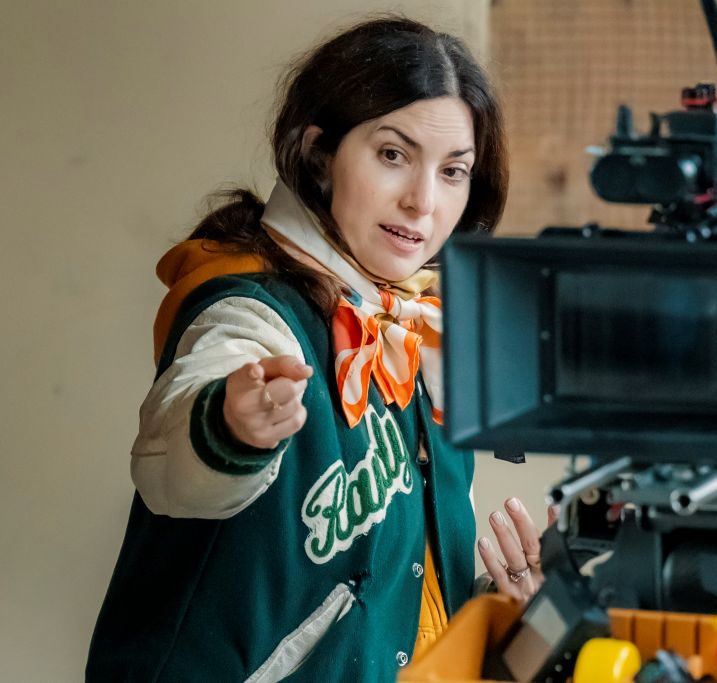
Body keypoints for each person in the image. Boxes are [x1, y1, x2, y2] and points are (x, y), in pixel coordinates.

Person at [87, 16, 543, 682]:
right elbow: (174, 464)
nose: (423, 201)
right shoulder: (249, 314)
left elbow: (390, 610)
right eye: (393, 154)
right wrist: (230, 426)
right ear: (318, 153)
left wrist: (512, 618)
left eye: (454, 171)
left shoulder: (420, 329)